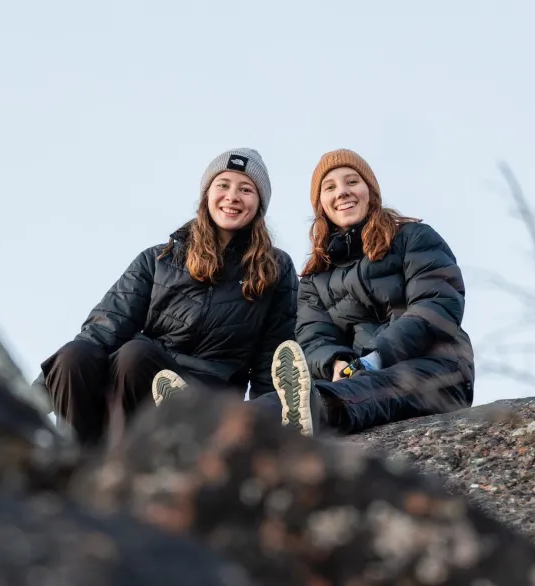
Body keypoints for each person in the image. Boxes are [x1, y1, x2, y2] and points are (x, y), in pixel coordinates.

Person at [31, 148, 298, 447]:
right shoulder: (158, 259)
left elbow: (273, 358)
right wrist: (37, 395)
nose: (232, 196)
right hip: (132, 383)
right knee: (74, 356)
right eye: (223, 185)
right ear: (207, 194)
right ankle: (78, 462)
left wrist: (268, 421)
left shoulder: (274, 268)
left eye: (246, 189)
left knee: (135, 355)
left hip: (206, 398)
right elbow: (105, 327)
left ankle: (133, 457)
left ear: (259, 203)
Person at [247, 148, 475, 437]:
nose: (342, 192)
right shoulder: (316, 277)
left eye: (352, 182)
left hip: (437, 371)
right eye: (330, 187)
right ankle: (211, 423)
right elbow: (314, 337)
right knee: (294, 396)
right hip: (359, 380)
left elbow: (435, 306)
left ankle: (309, 416)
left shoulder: (415, 238)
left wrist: (375, 357)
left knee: (342, 394)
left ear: (371, 192)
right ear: (321, 205)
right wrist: (336, 362)